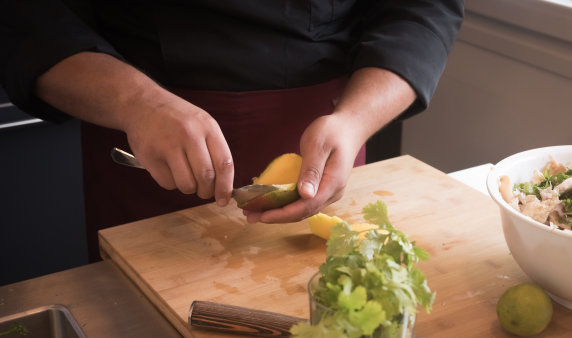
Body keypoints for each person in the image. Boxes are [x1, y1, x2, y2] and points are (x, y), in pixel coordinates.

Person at [0, 0, 463, 261]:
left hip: (324, 126)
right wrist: (137, 102)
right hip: (140, 136)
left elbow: (423, 6)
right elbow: (28, 17)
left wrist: (355, 120)